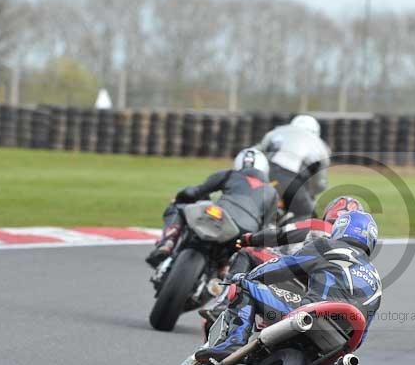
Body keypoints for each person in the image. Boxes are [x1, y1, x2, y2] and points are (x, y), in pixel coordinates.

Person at [195, 210, 382, 365]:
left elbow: (282, 267)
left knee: (245, 286)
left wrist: (248, 276)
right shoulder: (376, 278)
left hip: (311, 313)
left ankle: (233, 343)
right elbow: (363, 334)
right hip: (342, 337)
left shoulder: (327, 246)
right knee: (338, 359)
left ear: (342, 227)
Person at [197, 196, 365, 325]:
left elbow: (279, 235)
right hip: (320, 299)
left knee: (247, 253)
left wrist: (250, 238)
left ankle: (222, 304)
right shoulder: (360, 258)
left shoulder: (318, 225)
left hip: (294, 275)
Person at [146, 148, 279, 267]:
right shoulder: (272, 192)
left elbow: (195, 192)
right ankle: (225, 271)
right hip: (246, 231)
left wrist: (181, 195)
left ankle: (168, 243)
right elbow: (266, 227)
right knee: (248, 251)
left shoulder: (229, 174)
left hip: (222, 215)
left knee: (178, 206)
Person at [255, 114, 332, 221]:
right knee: (309, 218)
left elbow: (254, 153)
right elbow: (319, 184)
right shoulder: (320, 145)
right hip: (291, 182)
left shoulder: (276, 132)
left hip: (264, 176)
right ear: (316, 132)